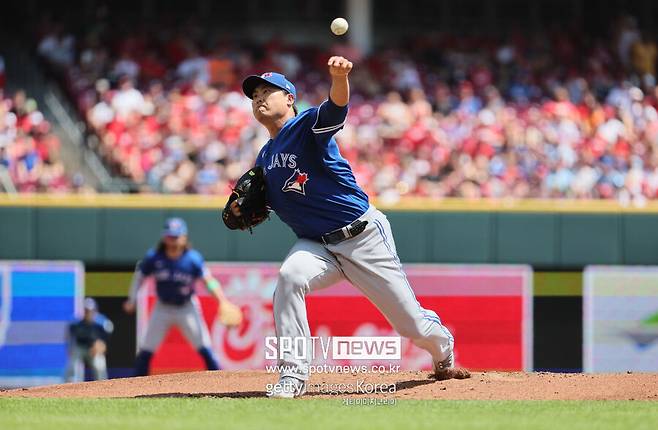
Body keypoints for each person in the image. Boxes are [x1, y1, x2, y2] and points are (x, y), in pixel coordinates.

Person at [234, 57, 470, 398]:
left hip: (362, 236)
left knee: (410, 325)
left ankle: (442, 347)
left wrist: (339, 78)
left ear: (289, 98)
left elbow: (335, 108)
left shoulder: (306, 125)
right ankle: (293, 375)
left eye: (267, 90)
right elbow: (271, 202)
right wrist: (247, 207)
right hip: (316, 245)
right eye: (254, 93)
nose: (259, 97)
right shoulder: (265, 156)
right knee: (289, 277)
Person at [123, 217, 237, 376]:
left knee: (204, 347)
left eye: (176, 237)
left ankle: (221, 385)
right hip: (162, 308)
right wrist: (132, 299)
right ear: (164, 237)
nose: (173, 241)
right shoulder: (154, 257)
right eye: (170, 236)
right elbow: (140, 277)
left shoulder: (192, 259)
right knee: (146, 349)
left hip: (187, 307)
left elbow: (209, 281)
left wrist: (222, 301)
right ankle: (133, 389)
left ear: (184, 238)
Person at [65, 298, 113, 382]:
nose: (88, 313)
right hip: (80, 347)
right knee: (72, 364)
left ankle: (103, 387)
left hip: (93, 348)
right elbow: (69, 336)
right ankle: (67, 387)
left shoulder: (101, 322)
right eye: (86, 310)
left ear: (95, 310)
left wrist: (103, 344)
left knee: (99, 365)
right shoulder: (76, 323)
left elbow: (109, 330)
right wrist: (70, 349)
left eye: (90, 310)